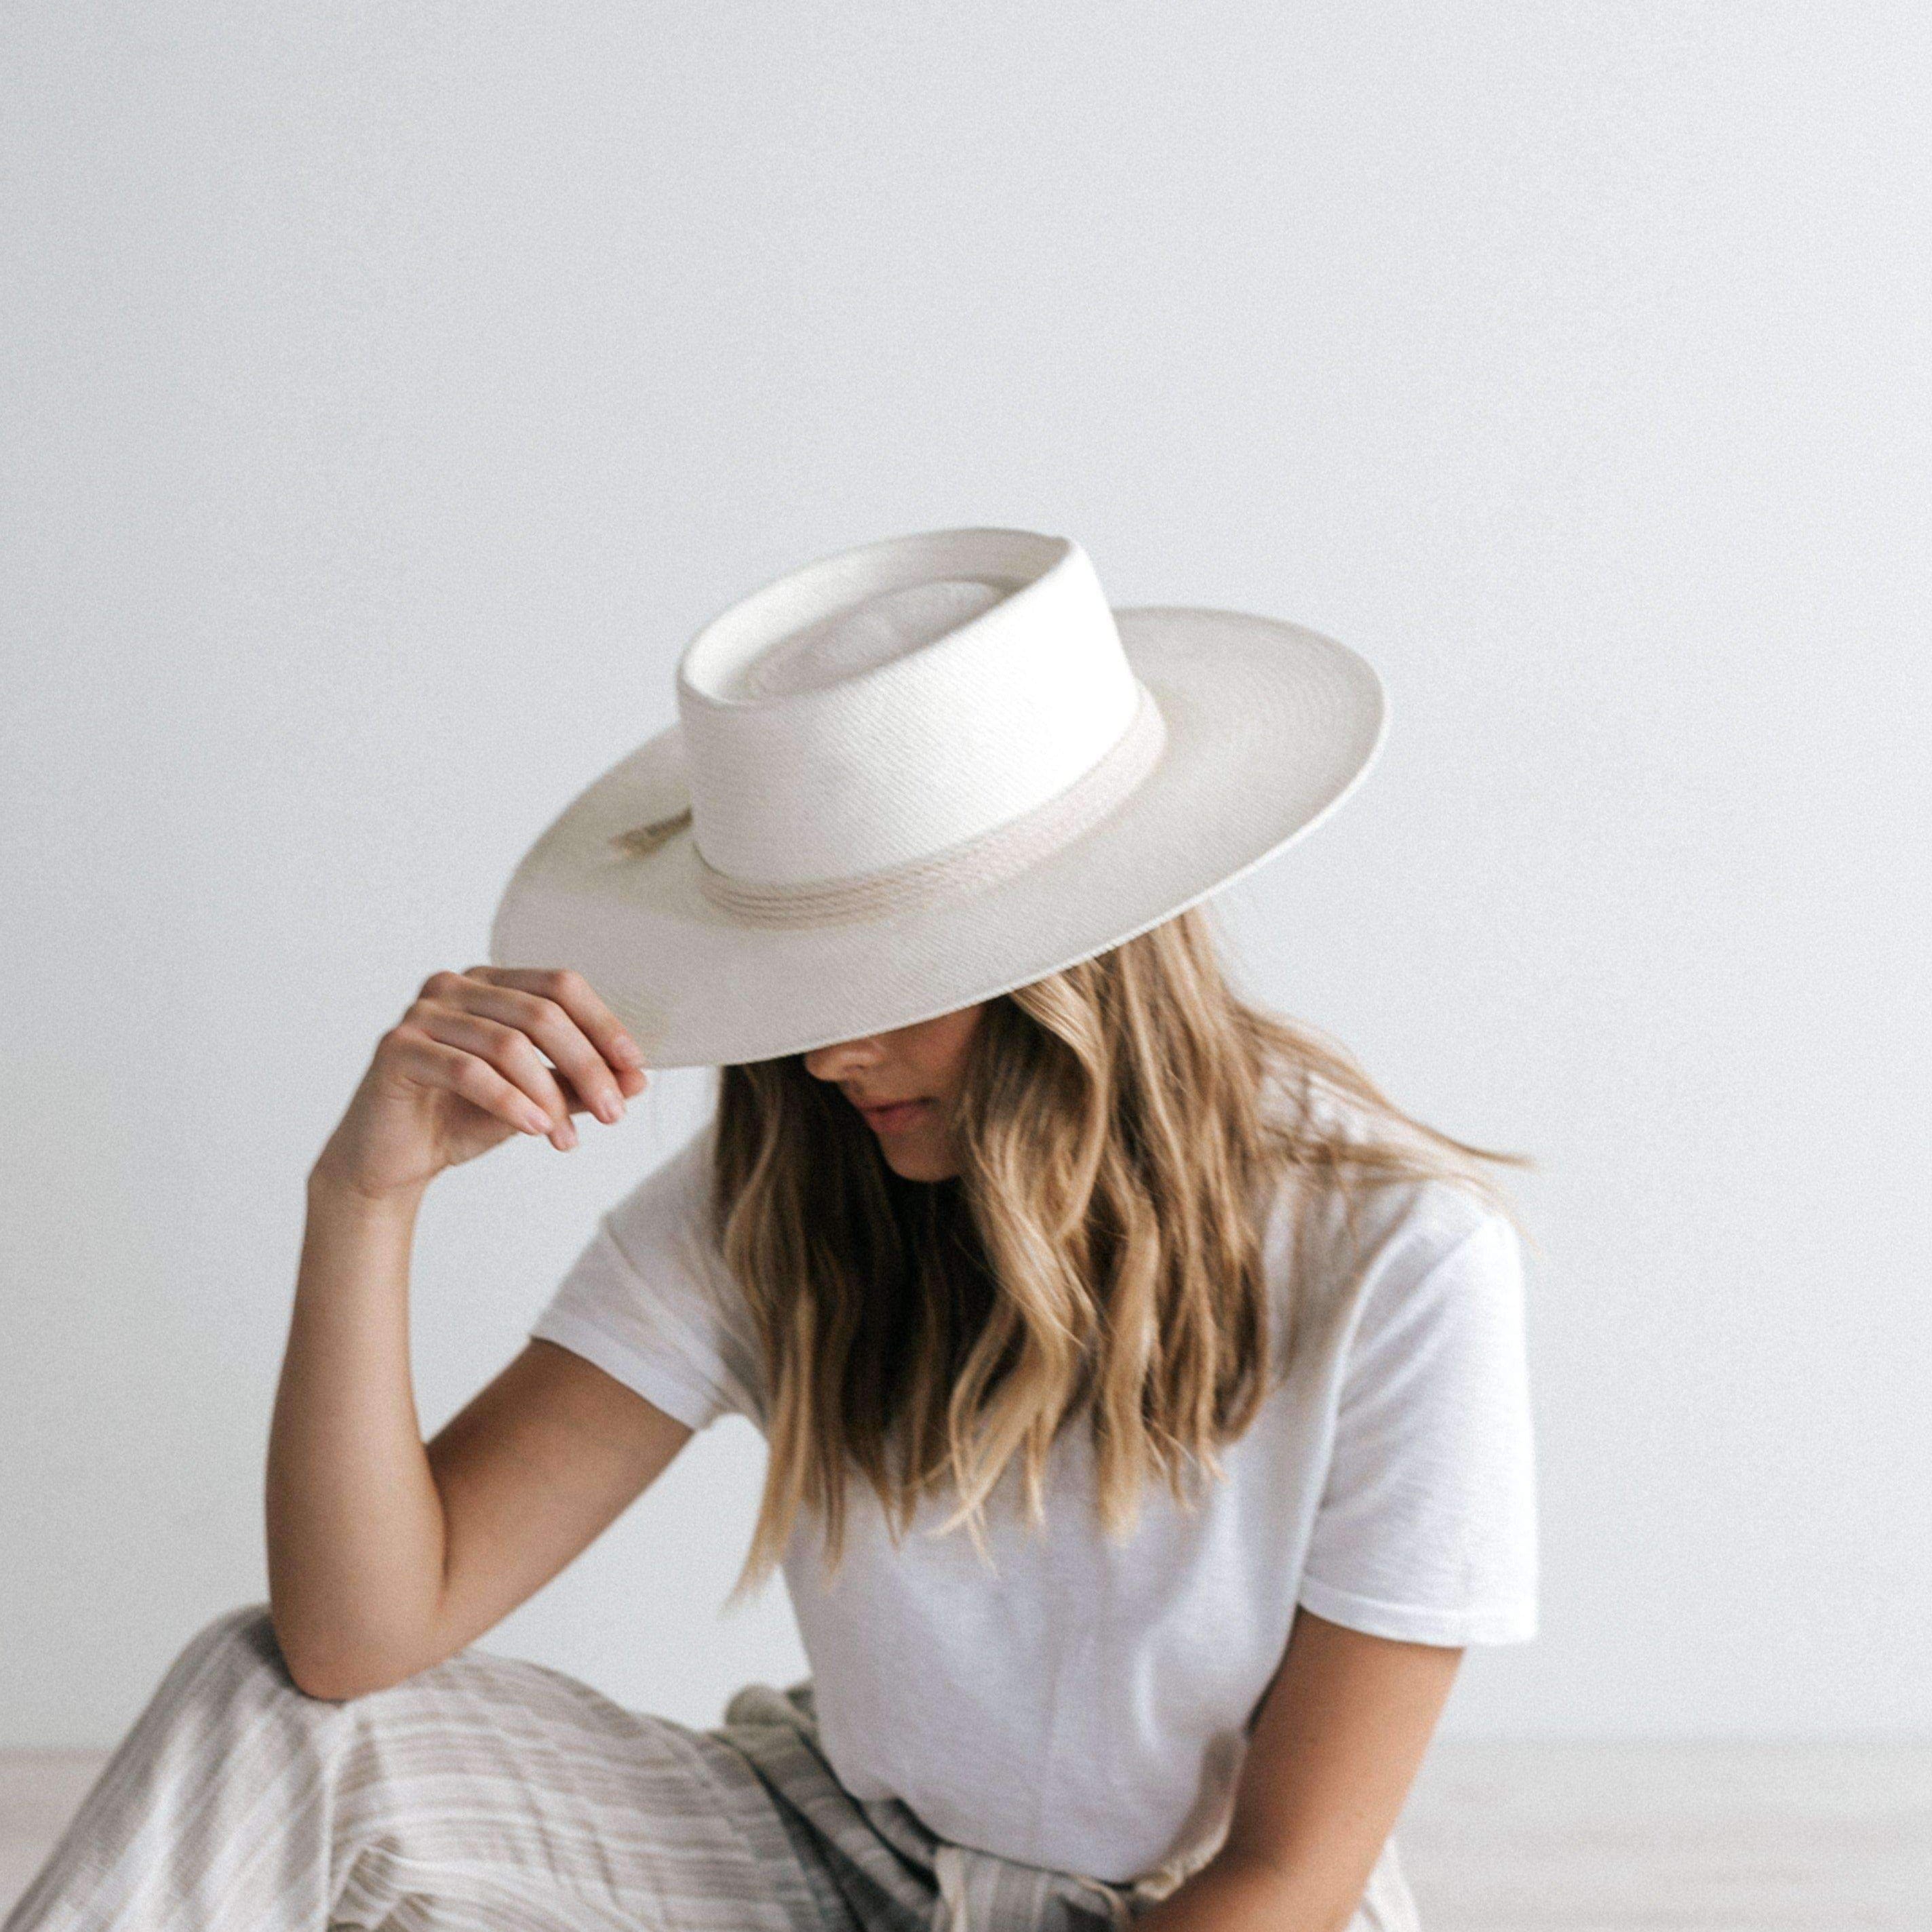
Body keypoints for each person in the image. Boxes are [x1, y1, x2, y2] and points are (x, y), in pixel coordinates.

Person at [7, 529, 1538, 1932]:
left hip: (1192, 1911)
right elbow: (356, 1641)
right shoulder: (784, 1193)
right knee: (265, 1703)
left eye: (892, 978)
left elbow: (1291, 1873)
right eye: (807, 988)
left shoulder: (1400, 1259)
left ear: (1072, 963)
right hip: (824, 1854)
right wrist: (363, 1199)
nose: (825, 1056)